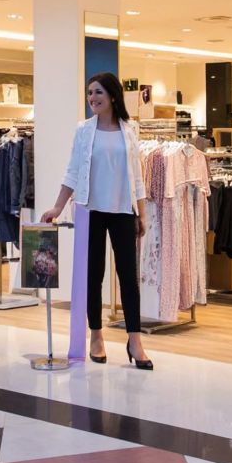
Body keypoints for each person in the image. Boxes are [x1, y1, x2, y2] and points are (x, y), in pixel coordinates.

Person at [41, 72, 153, 370]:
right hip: (90, 210)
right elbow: (73, 172)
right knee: (94, 276)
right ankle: (96, 335)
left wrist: (141, 213)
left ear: (113, 96)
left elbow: (137, 177)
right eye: (90, 93)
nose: (93, 98)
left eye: (98, 93)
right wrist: (57, 206)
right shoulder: (84, 131)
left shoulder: (130, 130)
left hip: (122, 211)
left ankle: (135, 339)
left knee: (129, 278)